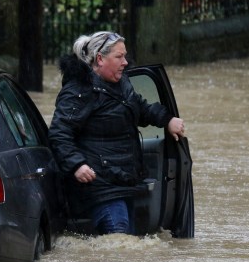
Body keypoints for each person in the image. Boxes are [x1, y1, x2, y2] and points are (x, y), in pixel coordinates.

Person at [48, 31, 186, 235]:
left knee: (123, 246)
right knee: (118, 244)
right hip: (100, 186)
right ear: (100, 59)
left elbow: (139, 108)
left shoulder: (122, 83)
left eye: (125, 56)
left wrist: (167, 120)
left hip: (122, 180)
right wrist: (77, 164)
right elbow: (59, 133)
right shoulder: (78, 91)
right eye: (119, 57)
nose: (125, 62)